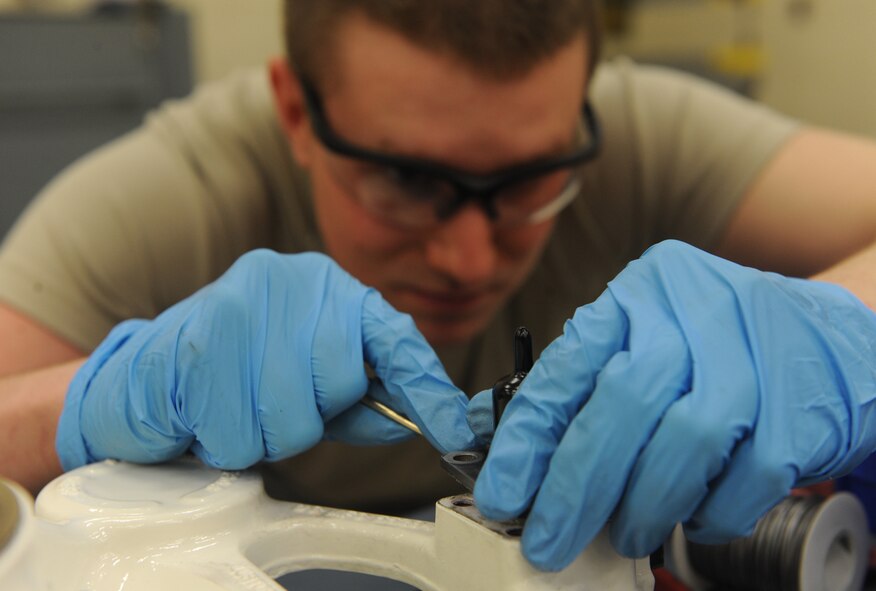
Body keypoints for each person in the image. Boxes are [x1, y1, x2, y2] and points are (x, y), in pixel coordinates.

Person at [1, 0, 875, 574]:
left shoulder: (638, 134)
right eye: (409, 182)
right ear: (298, 114)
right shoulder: (166, 197)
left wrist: (835, 328)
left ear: (580, 103)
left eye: (529, 183)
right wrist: (78, 405)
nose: (467, 257)